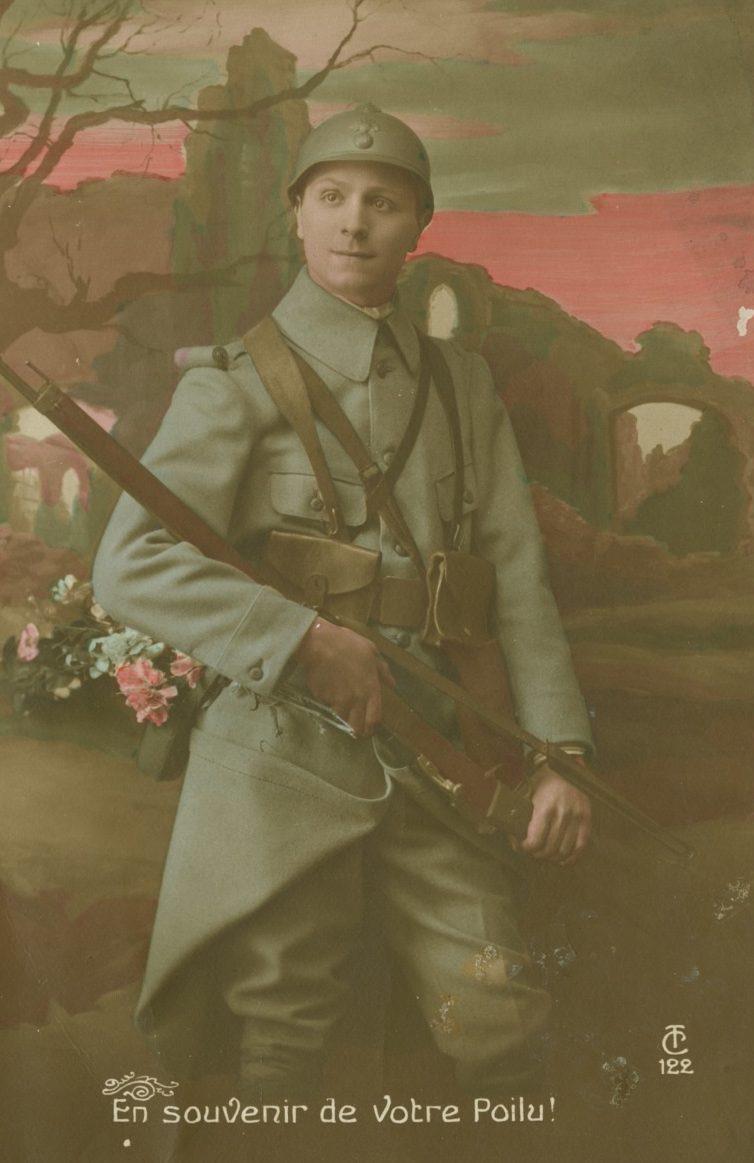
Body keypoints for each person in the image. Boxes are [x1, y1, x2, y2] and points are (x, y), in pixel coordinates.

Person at [92, 104, 593, 1101]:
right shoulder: (234, 382)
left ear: (419, 226)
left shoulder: (459, 385)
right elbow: (131, 561)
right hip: (283, 745)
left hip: (439, 744)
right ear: (295, 215)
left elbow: (515, 570)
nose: (352, 221)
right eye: (330, 197)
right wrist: (299, 637)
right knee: (278, 1021)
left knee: (495, 1010)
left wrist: (558, 752)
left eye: (382, 201)